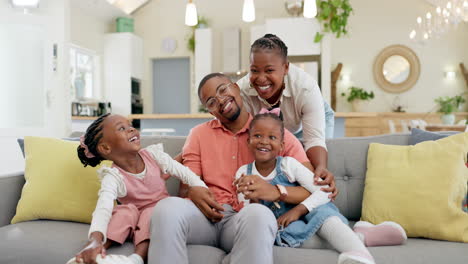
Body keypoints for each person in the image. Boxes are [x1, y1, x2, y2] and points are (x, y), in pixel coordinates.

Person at [148, 73, 335, 264]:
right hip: (204, 219)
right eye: (211, 101)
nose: (220, 100)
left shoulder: (274, 134)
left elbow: (317, 190)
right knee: (166, 207)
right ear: (210, 111)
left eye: (223, 90)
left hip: (244, 220)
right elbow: (188, 182)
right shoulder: (198, 135)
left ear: (236, 88)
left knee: (259, 214)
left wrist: (276, 191)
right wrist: (192, 191)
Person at [234, 110, 380, 264]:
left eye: (272, 137)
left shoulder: (288, 165)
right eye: (257, 136)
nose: (264, 141)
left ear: (281, 145)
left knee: (322, 213)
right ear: (248, 141)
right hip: (284, 225)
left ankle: (362, 256)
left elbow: (324, 192)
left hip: (309, 211)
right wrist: (254, 198)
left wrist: (298, 210)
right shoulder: (243, 173)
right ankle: (358, 237)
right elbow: (249, 215)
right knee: (288, 236)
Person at [67, 114, 208, 264]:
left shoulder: (154, 155)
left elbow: (184, 173)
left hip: (158, 215)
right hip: (132, 220)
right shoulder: (113, 176)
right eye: (122, 128)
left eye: (130, 125)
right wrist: (94, 240)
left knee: (150, 212)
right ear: (106, 148)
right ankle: (93, 252)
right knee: (123, 211)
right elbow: (104, 207)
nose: (131, 129)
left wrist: (201, 188)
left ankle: (137, 258)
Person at [237, 33, 336, 193]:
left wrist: (321, 169)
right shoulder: (242, 90)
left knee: (316, 167)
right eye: (254, 70)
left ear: (286, 68)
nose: (261, 79)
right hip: (274, 130)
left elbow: (314, 140)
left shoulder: (305, 87)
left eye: (269, 70)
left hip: (306, 122)